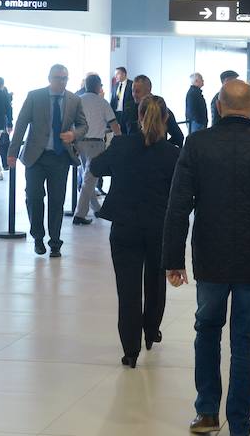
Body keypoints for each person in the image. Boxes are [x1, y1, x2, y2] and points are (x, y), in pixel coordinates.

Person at [163, 80, 250, 436]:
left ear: (220, 106)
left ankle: (207, 411)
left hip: (210, 256)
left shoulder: (197, 144)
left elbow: (178, 205)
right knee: (245, 341)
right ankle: (240, 424)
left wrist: (173, 259)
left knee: (207, 331)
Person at [88, 95, 179, 368]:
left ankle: (130, 349)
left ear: (138, 117)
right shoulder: (172, 153)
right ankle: (151, 331)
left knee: (127, 289)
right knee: (155, 281)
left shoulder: (121, 144)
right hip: (158, 226)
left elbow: (96, 167)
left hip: (125, 225)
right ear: (165, 119)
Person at [8, 64, 88, 258]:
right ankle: (37, 237)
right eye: (58, 78)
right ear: (49, 78)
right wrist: (12, 152)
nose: (62, 82)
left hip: (60, 158)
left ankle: (55, 242)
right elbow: (20, 124)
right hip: (36, 157)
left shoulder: (74, 99)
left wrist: (73, 134)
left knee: (57, 200)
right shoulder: (35, 96)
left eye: (65, 78)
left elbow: (83, 125)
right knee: (34, 197)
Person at [73, 74, 121, 225]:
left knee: (88, 177)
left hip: (80, 142)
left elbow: (71, 122)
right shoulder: (102, 102)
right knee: (90, 178)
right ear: (97, 86)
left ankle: (97, 209)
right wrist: (120, 140)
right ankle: (79, 214)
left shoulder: (78, 101)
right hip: (95, 144)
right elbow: (114, 124)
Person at [129, 75, 184, 147]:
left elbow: (178, 137)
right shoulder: (128, 108)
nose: (134, 95)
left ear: (148, 90)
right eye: (133, 91)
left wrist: (163, 148)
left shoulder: (162, 110)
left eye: (137, 91)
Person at [110, 66, 135, 133]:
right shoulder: (115, 85)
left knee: (127, 132)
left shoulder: (132, 84)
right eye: (115, 74)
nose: (116, 76)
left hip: (127, 113)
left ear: (124, 74)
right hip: (117, 114)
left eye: (117, 74)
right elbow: (113, 100)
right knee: (118, 132)